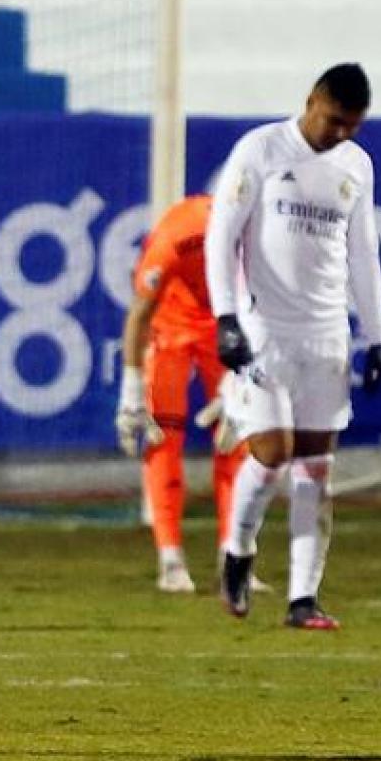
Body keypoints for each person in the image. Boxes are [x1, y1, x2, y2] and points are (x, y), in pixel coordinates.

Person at [203, 62, 381, 631]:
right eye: (334, 120)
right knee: (271, 452)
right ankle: (238, 551)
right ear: (312, 101)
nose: (340, 134)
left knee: (315, 470)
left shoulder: (356, 166)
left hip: (327, 334)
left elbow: (363, 252)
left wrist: (378, 336)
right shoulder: (260, 150)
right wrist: (225, 318)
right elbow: (221, 236)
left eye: (351, 126)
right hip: (264, 332)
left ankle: (302, 599)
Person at [115, 194, 251, 594]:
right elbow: (139, 313)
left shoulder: (259, 239)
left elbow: (267, 311)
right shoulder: (176, 237)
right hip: (170, 325)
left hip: (224, 328)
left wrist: (239, 380)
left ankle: (234, 555)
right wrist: (131, 391)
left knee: (236, 438)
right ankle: (170, 557)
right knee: (162, 433)